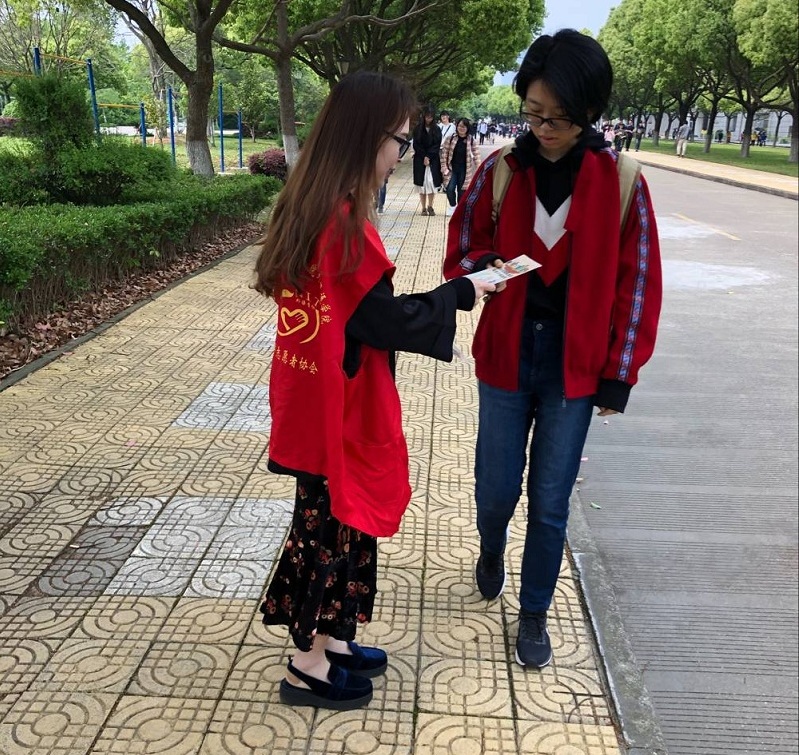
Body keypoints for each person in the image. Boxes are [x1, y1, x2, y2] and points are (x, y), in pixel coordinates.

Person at [253, 70, 496, 711]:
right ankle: (307, 666)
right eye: (399, 141)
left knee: (342, 524)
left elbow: (357, 314)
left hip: (314, 400)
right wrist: (463, 291)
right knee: (331, 531)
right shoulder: (342, 225)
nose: (401, 154)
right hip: (337, 408)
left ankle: (333, 641)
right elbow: (385, 321)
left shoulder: (310, 207)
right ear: (367, 140)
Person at [443, 29, 662, 669]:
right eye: (533, 113)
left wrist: (619, 374)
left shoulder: (621, 182)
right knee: (495, 487)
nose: (543, 129)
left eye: (558, 118)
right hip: (507, 356)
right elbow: (463, 242)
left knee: (550, 500)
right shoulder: (502, 171)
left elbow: (638, 282)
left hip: (574, 368)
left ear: (589, 112)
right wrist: (486, 268)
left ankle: (534, 611)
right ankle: (490, 547)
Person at [441, 117, 481, 216]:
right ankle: (452, 206)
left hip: (465, 170)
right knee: (449, 188)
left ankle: (459, 210)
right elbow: (444, 153)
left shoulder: (471, 140)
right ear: (457, 126)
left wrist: (479, 168)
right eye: (460, 126)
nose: (461, 128)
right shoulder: (451, 138)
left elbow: (476, 155)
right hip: (451, 169)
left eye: (464, 126)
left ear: (467, 128)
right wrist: (444, 166)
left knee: (462, 191)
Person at [412, 106, 443, 215]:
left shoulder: (437, 129)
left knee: (431, 183)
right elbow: (416, 144)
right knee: (421, 185)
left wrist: (428, 156)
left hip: (432, 160)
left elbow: (437, 144)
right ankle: (423, 208)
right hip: (419, 159)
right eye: (427, 117)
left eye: (430, 117)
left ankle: (430, 206)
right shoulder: (418, 129)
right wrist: (423, 156)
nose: (428, 119)